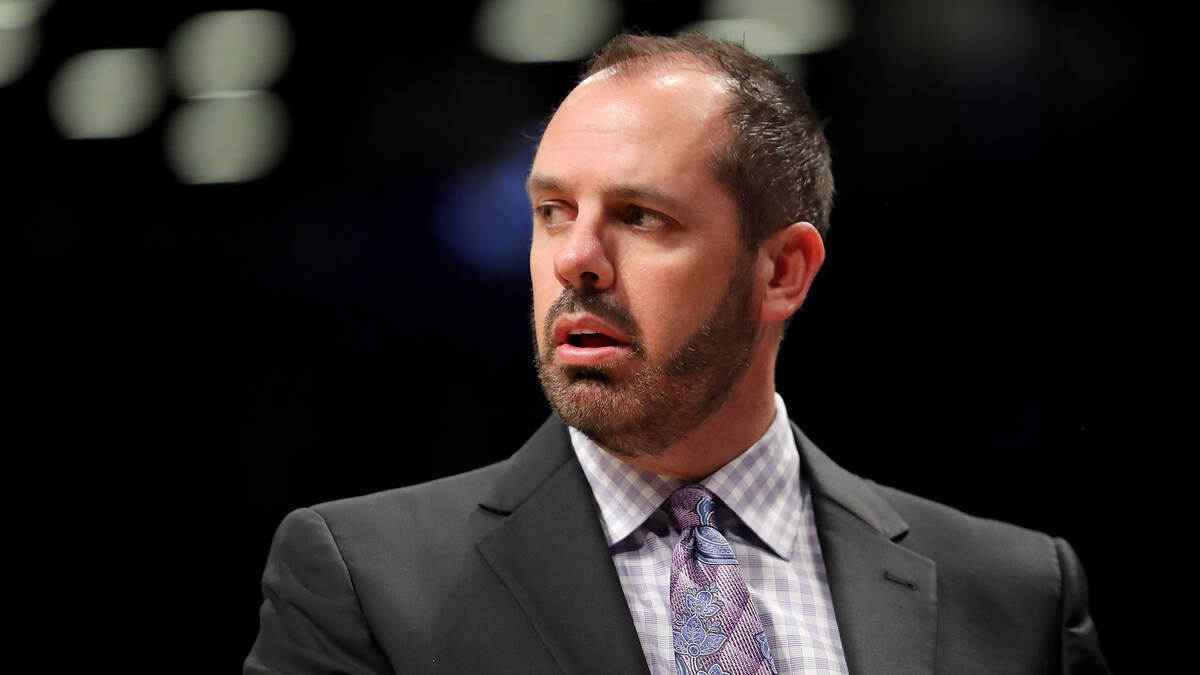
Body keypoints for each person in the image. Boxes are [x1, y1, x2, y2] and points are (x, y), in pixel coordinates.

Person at [245, 33, 1108, 674]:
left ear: (782, 270)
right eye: (553, 212)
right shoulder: (365, 582)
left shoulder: (1016, 595)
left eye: (640, 216)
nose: (576, 259)